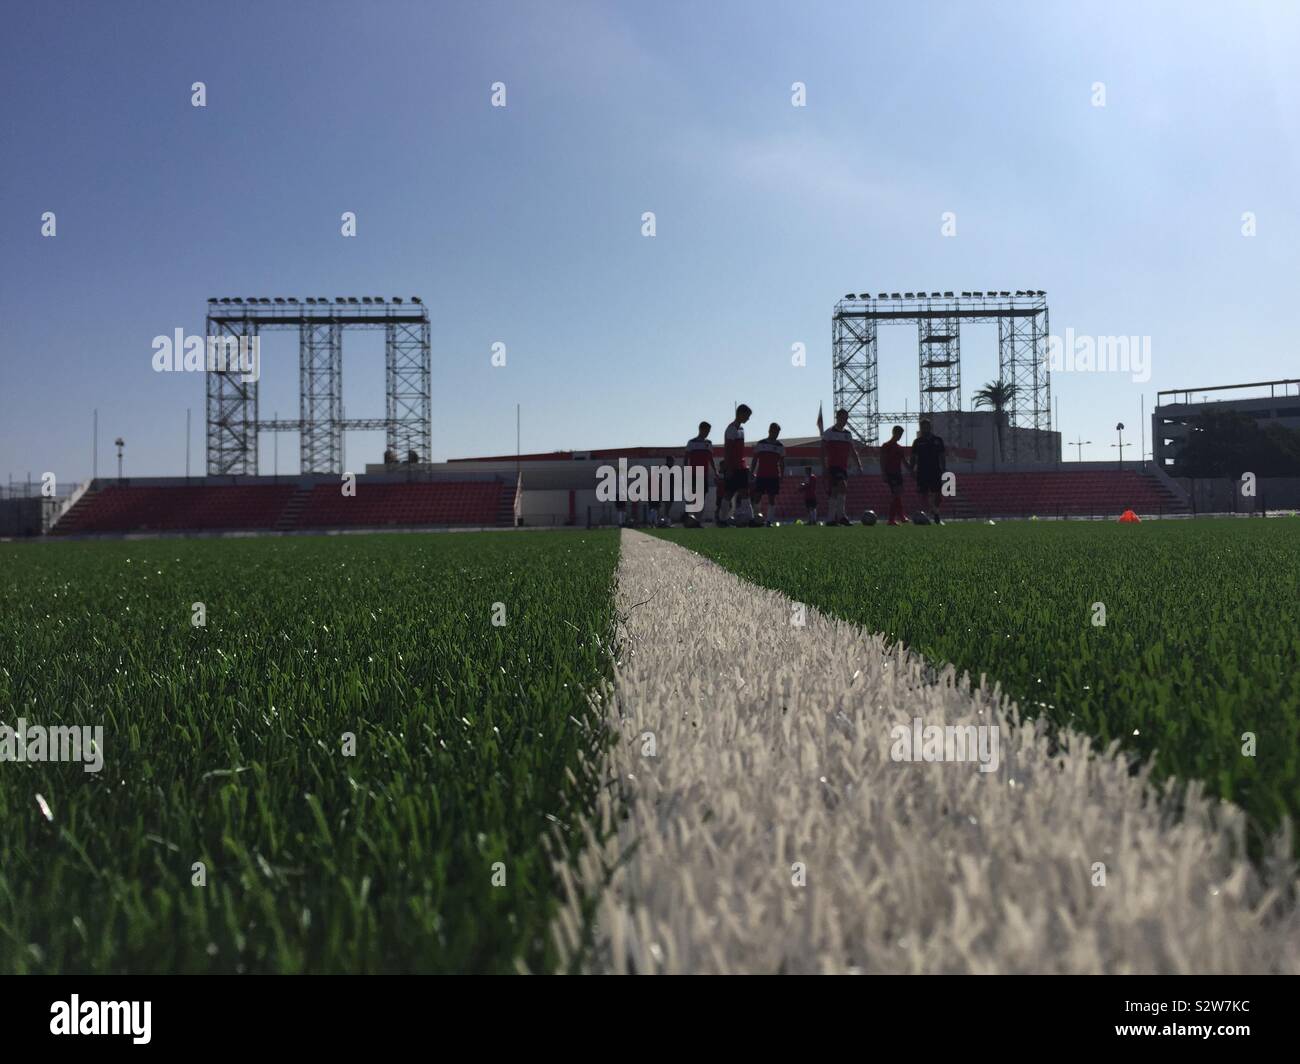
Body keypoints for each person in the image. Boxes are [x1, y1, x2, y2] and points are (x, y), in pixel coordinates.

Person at [820, 409, 862, 525]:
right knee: (841, 487)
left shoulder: (847, 434)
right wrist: (824, 467)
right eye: (843, 418)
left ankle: (833, 518)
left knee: (838, 490)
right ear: (837, 417)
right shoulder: (829, 433)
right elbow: (822, 451)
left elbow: (853, 451)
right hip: (833, 466)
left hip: (843, 467)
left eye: (846, 418)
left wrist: (859, 464)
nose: (845, 420)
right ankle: (838, 516)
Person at [909, 418, 947, 524]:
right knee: (923, 494)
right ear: (921, 428)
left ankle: (935, 510)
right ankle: (928, 515)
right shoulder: (917, 442)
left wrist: (943, 468)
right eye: (923, 427)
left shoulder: (938, 440)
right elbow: (913, 457)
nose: (925, 428)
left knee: (938, 495)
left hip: (935, 470)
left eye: (927, 426)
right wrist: (912, 469)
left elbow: (942, 456)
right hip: (922, 471)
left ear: (930, 427)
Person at [722, 404, 753, 525]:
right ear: (740, 414)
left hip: (741, 466)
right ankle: (723, 519)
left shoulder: (741, 429)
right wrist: (729, 468)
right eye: (747, 416)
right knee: (728, 494)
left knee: (745, 492)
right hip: (733, 467)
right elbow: (728, 450)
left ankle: (750, 519)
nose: (748, 418)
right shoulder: (731, 429)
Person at [749, 423, 785, 526]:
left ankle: (769, 520)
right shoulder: (761, 444)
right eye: (774, 431)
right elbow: (755, 459)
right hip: (761, 475)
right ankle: (754, 518)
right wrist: (751, 472)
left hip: (774, 475)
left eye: (778, 432)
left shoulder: (780, 446)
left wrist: (782, 476)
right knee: (757, 496)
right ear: (769, 430)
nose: (776, 433)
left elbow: (782, 463)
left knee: (771, 498)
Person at [683, 423, 717, 528]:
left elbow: (710, 459)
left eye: (709, 431)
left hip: (704, 474)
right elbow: (686, 458)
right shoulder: (691, 443)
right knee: (692, 497)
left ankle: (697, 521)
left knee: (701, 498)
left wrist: (715, 471)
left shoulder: (708, 443)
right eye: (706, 430)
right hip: (693, 474)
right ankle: (689, 518)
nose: (707, 433)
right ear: (700, 429)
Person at [880, 425, 908, 526]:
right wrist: (883, 473)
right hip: (890, 473)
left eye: (901, 434)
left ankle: (900, 516)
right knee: (896, 494)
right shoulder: (886, 446)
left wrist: (911, 470)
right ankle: (892, 519)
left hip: (898, 473)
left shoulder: (900, 448)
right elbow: (882, 460)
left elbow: (904, 461)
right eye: (899, 434)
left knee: (898, 495)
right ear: (894, 433)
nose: (900, 436)